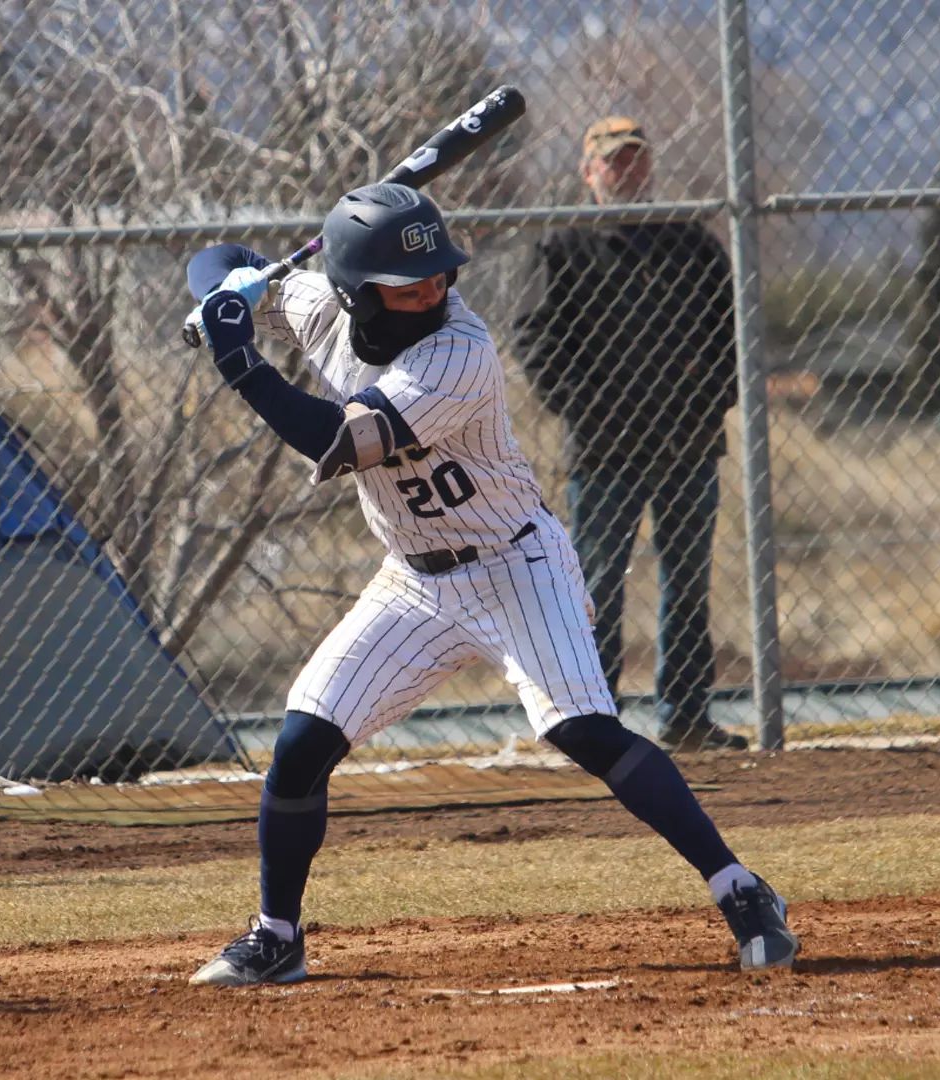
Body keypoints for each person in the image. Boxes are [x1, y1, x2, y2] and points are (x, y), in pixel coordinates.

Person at [180, 183, 796, 988]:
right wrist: (231, 290)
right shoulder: (318, 305)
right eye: (412, 284)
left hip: (514, 565)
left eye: (440, 275)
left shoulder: (458, 352)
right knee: (300, 746)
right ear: (357, 293)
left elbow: (334, 439)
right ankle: (277, 936)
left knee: (584, 731)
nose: (435, 292)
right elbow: (219, 259)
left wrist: (237, 355)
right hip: (414, 580)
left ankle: (742, 889)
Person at [514, 116, 748, 753]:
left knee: (687, 582)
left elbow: (733, 338)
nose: (628, 171)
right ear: (589, 173)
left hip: (689, 446)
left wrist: (708, 404)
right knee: (595, 589)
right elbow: (535, 340)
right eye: (614, 162)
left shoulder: (690, 242)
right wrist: (587, 407)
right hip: (604, 451)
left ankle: (687, 717)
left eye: (637, 159)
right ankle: (596, 726)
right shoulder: (563, 246)